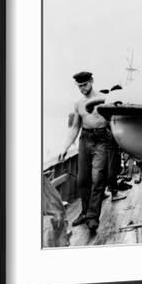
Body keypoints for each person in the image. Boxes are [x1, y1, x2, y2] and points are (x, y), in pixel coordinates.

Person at [58, 71, 110, 234]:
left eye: (85, 85)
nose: (82, 89)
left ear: (92, 81)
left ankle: (93, 217)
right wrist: (64, 147)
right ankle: (85, 212)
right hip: (84, 139)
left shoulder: (104, 99)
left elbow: (113, 122)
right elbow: (75, 127)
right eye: (79, 86)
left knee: (97, 178)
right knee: (82, 180)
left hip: (101, 140)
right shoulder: (78, 104)